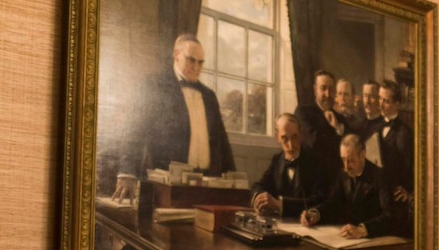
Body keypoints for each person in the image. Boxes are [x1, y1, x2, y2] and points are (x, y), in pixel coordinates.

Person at [112, 33, 235, 202]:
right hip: (167, 184)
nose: (196, 67)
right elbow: (135, 131)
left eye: (200, 62)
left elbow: (222, 143)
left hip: (207, 183)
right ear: (176, 55)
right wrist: (127, 172)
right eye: (191, 60)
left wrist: (234, 180)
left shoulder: (209, 96)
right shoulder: (155, 86)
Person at [300, 134, 392, 239]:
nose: (346, 166)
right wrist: (316, 214)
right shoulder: (343, 174)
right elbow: (333, 203)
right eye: (343, 159)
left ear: (362, 155)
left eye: (351, 160)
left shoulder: (379, 176)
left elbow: (389, 216)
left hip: (375, 240)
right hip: (348, 238)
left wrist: (363, 229)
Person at [250, 113, 328, 218]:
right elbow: (259, 185)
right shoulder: (277, 160)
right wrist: (259, 199)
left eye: (294, 137)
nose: (290, 145)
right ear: (277, 137)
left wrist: (280, 205)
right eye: (284, 138)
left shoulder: (316, 162)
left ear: (301, 135)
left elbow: (318, 200)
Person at [365, 80, 414, 236]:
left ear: (397, 104)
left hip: (395, 198)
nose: (381, 104)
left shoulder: (404, 133)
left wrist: (410, 192)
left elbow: (410, 166)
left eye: (386, 101)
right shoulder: (375, 126)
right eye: (380, 99)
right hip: (377, 193)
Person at [294, 70, 352, 186]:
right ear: (315, 90)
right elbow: (314, 143)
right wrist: (337, 136)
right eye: (323, 88)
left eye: (331, 89)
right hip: (311, 180)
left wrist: (337, 128)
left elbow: (351, 149)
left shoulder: (342, 121)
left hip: (335, 182)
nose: (327, 94)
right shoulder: (303, 112)